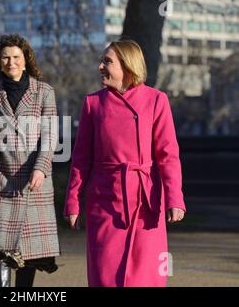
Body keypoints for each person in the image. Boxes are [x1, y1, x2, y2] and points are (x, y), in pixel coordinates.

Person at [64, 39, 186, 287]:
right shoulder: (93, 103)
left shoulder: (156, 100)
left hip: (146, 204)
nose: (100, 67)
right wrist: (73, 201)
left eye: (107, 61)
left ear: (127, 66)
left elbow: (168, 155)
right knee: (106, 275)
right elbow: (80, 159)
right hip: (105, 202)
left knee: (145, 276)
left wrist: (175, 198)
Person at [0, 34, 60, 287]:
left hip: (34, 185)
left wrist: (40, 169)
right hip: (1, 183)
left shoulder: (44, 92)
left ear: (26, 60)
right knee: (1, 252)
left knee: (29, 255)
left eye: (16, 57)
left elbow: (50, 135)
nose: (10, 62)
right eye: (5, 57)